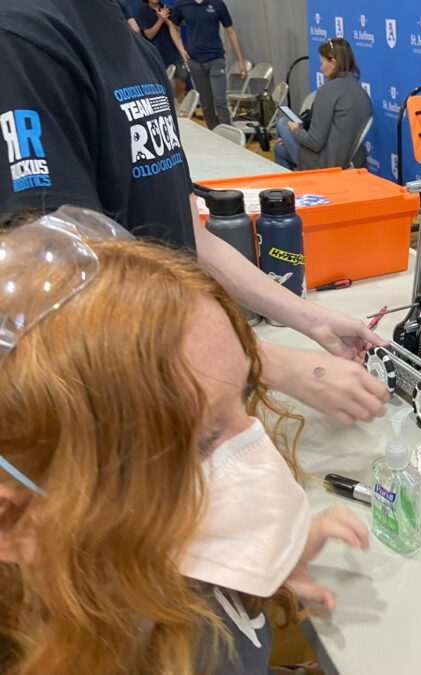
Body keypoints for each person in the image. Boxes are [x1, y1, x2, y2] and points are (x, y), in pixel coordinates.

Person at [0, 210, 369, 673]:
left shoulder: (161, 570)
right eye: (202, 443)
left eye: (245, 396)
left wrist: (262, 557)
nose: (258, 452)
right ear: (18, 523)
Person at [0, 0, 389, 425]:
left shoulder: (135, 47)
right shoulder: (23, 39)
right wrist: (265, 363)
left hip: (179, 387)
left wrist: (312, 320)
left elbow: (188, 238)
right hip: (115, 414)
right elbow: (67, 298)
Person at [274, 38, 372, 171]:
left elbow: (314, 142)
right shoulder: (361, 92)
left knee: (282, 122)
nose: (320, 69)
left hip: (324, 165)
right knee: (279, 149)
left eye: (322, 63)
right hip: (348, 160)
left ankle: (290, 189)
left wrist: (295, 130)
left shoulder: (328, 91)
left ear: (333, 62)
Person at [169, 0, 246, 129]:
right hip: (195, 61)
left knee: (220, 100)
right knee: (206, 103)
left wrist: (240, 61)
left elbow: (230, 31)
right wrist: (181, 49)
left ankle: (228, 133)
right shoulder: (182, 5)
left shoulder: (217, 4)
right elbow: (173, 26)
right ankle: (214, 132)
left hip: (216, 59)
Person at [138, 0, 191, 101]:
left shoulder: (168, 9)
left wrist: (167, 21)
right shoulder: (143, 11)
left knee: (182, 77)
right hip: (155, 55)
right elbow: (149, 34)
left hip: (173, 53)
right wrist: (160, 21)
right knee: (161, 85)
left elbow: (176, 30)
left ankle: (179, 106)